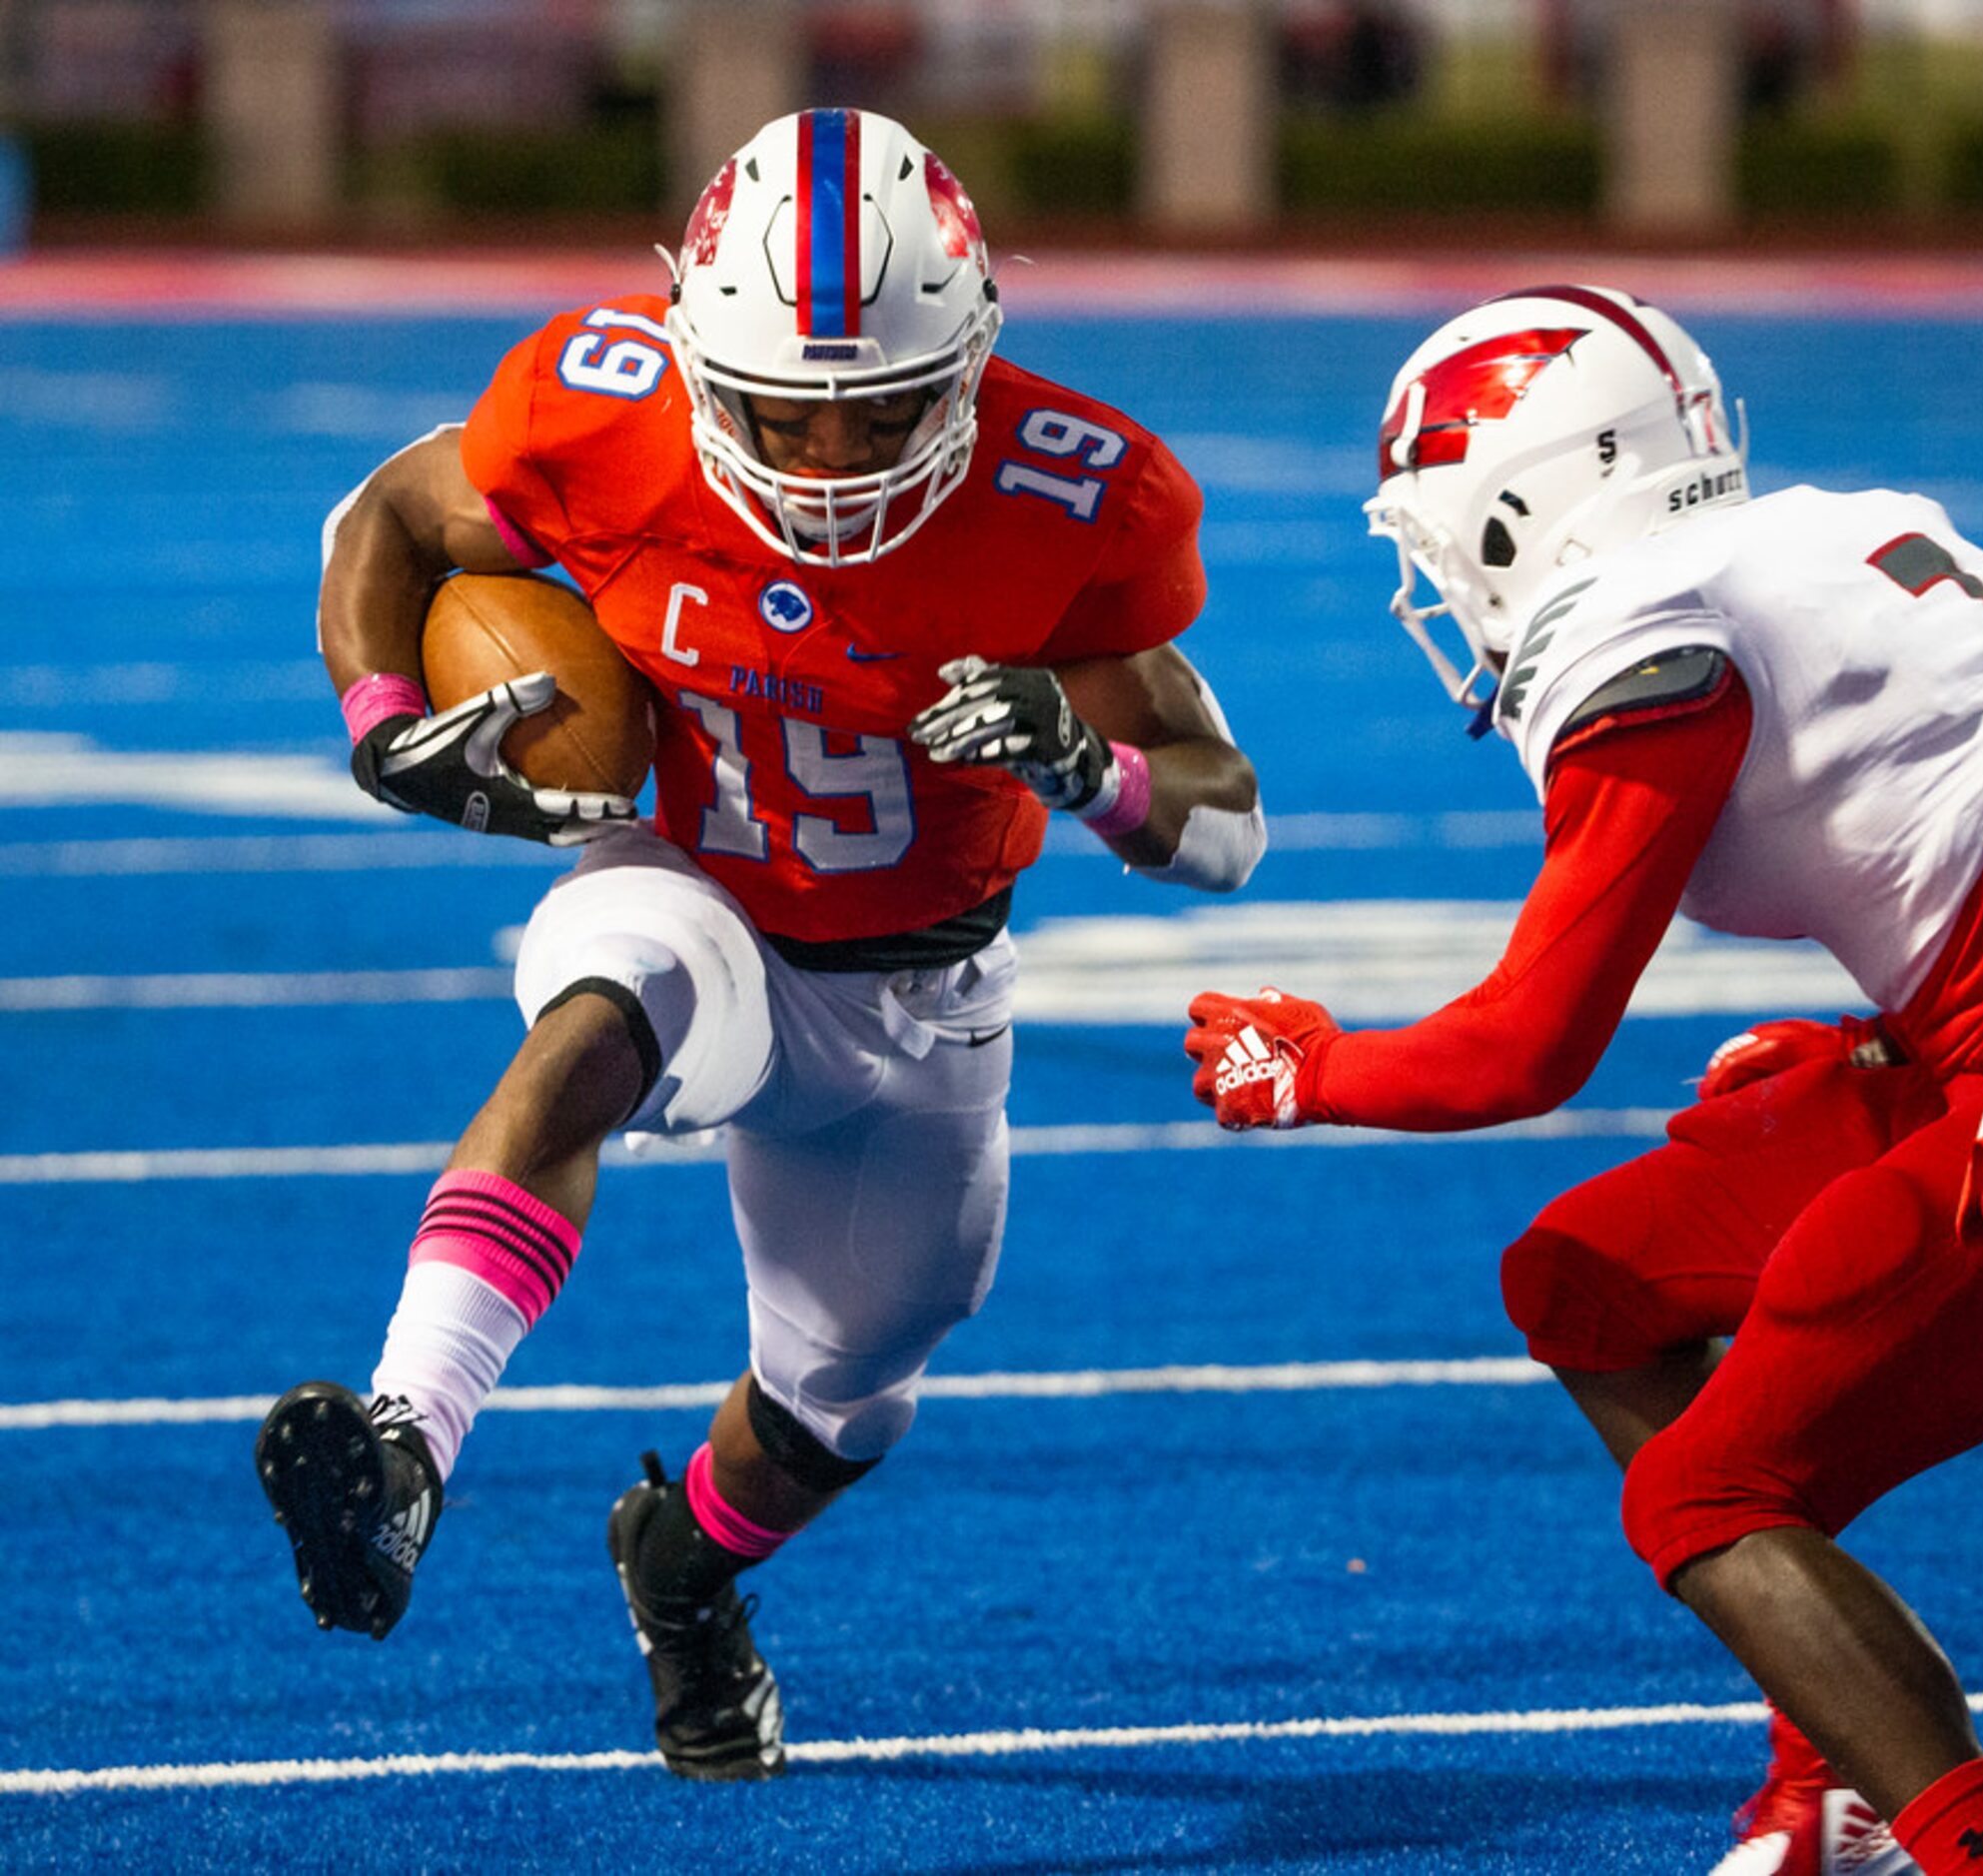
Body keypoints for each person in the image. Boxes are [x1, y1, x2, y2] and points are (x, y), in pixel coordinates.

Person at [1182, 285, 1983, 1876]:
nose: (1438, 575)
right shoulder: (1825, 535)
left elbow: (1528, 1047)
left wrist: (1310, 1067)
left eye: (1441, 534)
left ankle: (1981, 1855)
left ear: (1523, 499)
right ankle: (1839, 1785)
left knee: (1706, 1489)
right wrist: (1900, 1043)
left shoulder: (1654, 635)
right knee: (1589, 1279)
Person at [256, 108, 1264, 1782]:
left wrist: (1091, 767)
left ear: (973, 356)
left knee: (845, 1391)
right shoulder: (602, 414)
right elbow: (388, 517)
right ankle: (402, 1447)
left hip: (922, 989)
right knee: (603, 1011)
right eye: (783, 413)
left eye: (879, 407)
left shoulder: (1076, 494)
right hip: (695, 886)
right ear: (693, 349)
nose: (826, 461)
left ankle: (686, 1563)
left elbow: (1228, 825)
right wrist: (377, 719)